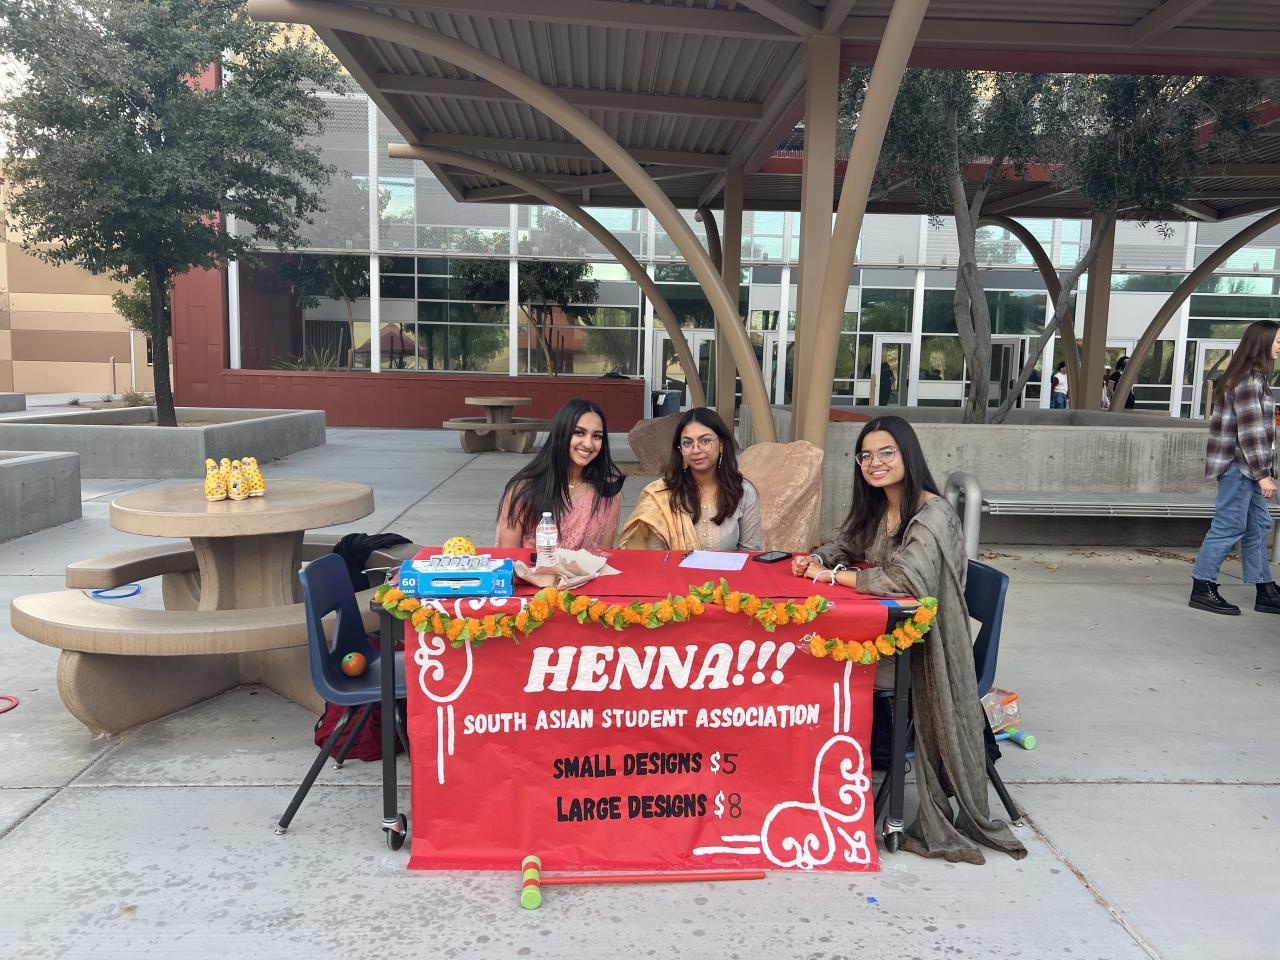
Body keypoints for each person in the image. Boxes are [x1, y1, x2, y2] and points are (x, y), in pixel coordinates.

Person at [790, 415, 1026, 864]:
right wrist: (817, 559)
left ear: (907, 455)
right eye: (865, 455)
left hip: (924, 651)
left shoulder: (933, 514)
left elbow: (905, 580)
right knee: (807, 653)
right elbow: (847, 544)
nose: (874, 463)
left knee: (813, 664)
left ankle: (821, 785)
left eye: (886, 453)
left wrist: (831, 578)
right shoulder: (883, 505)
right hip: (894, 634)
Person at [1189, 320, 1280, 616]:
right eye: (1278, 341)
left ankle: (1264, 588)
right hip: (1240, 468)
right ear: (1262, 342)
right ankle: (1202, 586)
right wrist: (1264, 475)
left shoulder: (1252, 377)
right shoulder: (1249, 380)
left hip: (1246, 469)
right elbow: (1251, 433)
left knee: (1258, 526)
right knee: (1229, 526)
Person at [616, 407, 763, 551]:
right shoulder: (662, 495)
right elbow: (656, 556)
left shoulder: (743, 492)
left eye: (705, 441)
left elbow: (750, 552)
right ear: (680, 450)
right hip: (672, 568)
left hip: (729, 569)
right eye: (687, 443)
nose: (696, 450)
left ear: (722, 445)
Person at [495, 398, 624, 551]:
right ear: (561, 433)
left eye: (597, 436)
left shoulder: (607, 493)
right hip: (529, 567)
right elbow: (508, 556)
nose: (588, 444)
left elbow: (603, 555)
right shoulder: (523, 489)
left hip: (586, 568)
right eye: (579, 433)